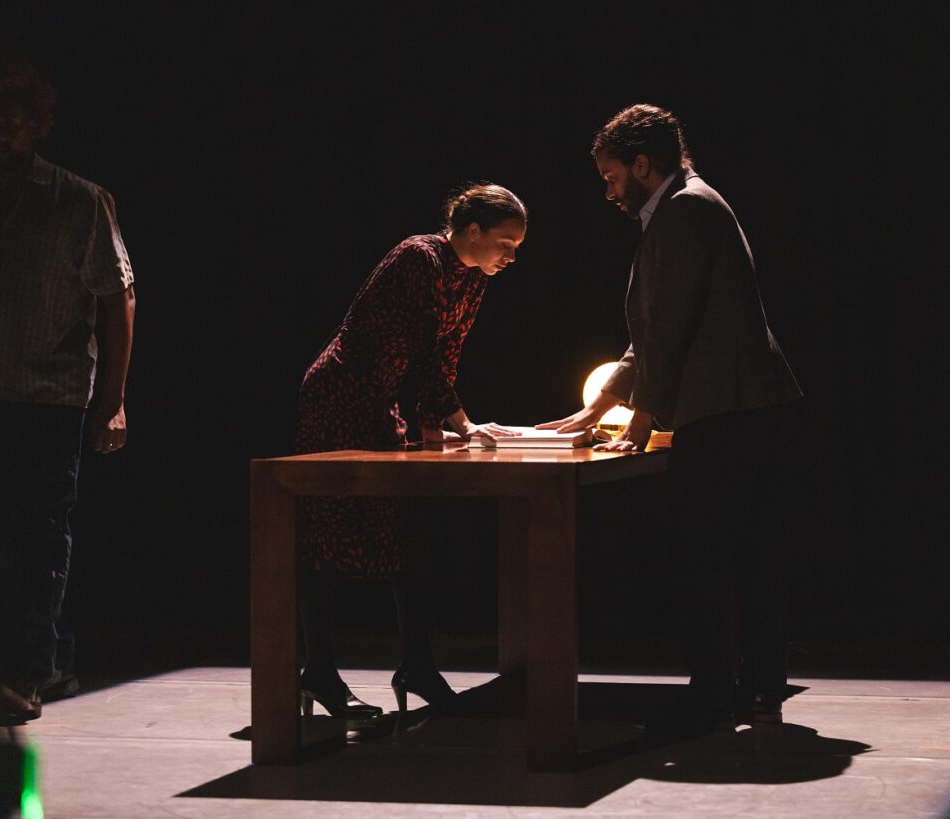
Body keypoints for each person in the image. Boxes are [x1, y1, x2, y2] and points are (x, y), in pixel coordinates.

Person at [539, 104, 801, 733]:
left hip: (728, 407)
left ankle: (716, 694)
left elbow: (671, 328)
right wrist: (592, 410)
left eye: (611, 177)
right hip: (740, 404)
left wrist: (641, 420)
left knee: (711, 555)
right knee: (741, 554)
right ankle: (755, 687)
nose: (608, 191)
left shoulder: (685, 209)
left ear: (641, 163)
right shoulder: (682, 207)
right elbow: (651, 336)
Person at [0, 55, 136, 722]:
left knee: (39, 535)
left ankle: (30, 671)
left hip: (50, 396)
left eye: (14, 122)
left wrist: (113, 399)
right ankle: (11, 664)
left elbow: (119, 296)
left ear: (41, 126)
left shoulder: (78, 199)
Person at [295, 183, 526, 717]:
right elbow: (418, 353)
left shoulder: (471, 278)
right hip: (340, 396)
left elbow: (444, 357)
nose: (510, 257)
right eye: (505, 243)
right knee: (327, 530)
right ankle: (319, 672)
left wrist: (441, 431)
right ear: (472, 231)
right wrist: (458, 426)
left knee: (408, 527)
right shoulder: (418, 257)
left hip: (381, 403)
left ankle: (416, 665)